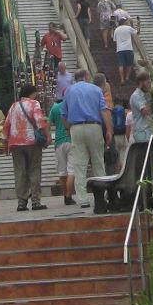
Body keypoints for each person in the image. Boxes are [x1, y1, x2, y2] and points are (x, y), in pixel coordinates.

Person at [62, 69, 112, 208]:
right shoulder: (96, 90)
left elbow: (63, 114)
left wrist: (68, 129)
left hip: (76, 128)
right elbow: (104, 110)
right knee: (98, 163)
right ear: (86, 76)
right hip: (94, 126)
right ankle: (101, 196)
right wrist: (109, 130)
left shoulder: (68, 91)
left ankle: (83, 199)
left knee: (79, 165)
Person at [4, 84, 48, 213]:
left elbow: (6, 125)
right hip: (31, 142)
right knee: (34, 170)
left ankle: (21, 203)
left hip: (15, 142)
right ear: (31, 94)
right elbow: (39, 121)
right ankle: (35, 201)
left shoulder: (13, 106)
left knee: (20, 172)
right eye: (35, 93)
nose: (36, 96)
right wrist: (47, 136)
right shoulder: (34, 103)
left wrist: (5, 143)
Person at [47, 90, 73, 206]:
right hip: (72, 140)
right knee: (72, 170)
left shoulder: (55, 108)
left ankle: (65, 195)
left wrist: (49, 138)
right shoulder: (72, 105)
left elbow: (47, 124)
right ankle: (69, 196)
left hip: (59, 142)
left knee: (62, 172)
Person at [128, 69, 153, 145]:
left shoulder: (146, 94)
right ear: (140, 83)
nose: (150, 84)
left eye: (150, 82)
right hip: (142, 131)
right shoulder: (136, 96)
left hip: (149, 130)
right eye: (148, 82)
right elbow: (145, 111)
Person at [113, 17, 138, 86]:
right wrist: (137, 25)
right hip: (128, 48)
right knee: (129, 64)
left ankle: (122, 79)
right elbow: (137, 32)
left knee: (121, 65)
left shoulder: (116, 30)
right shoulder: (128, 28)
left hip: (120, 49)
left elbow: (115, 40)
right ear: (124, 22)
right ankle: (127, 77)